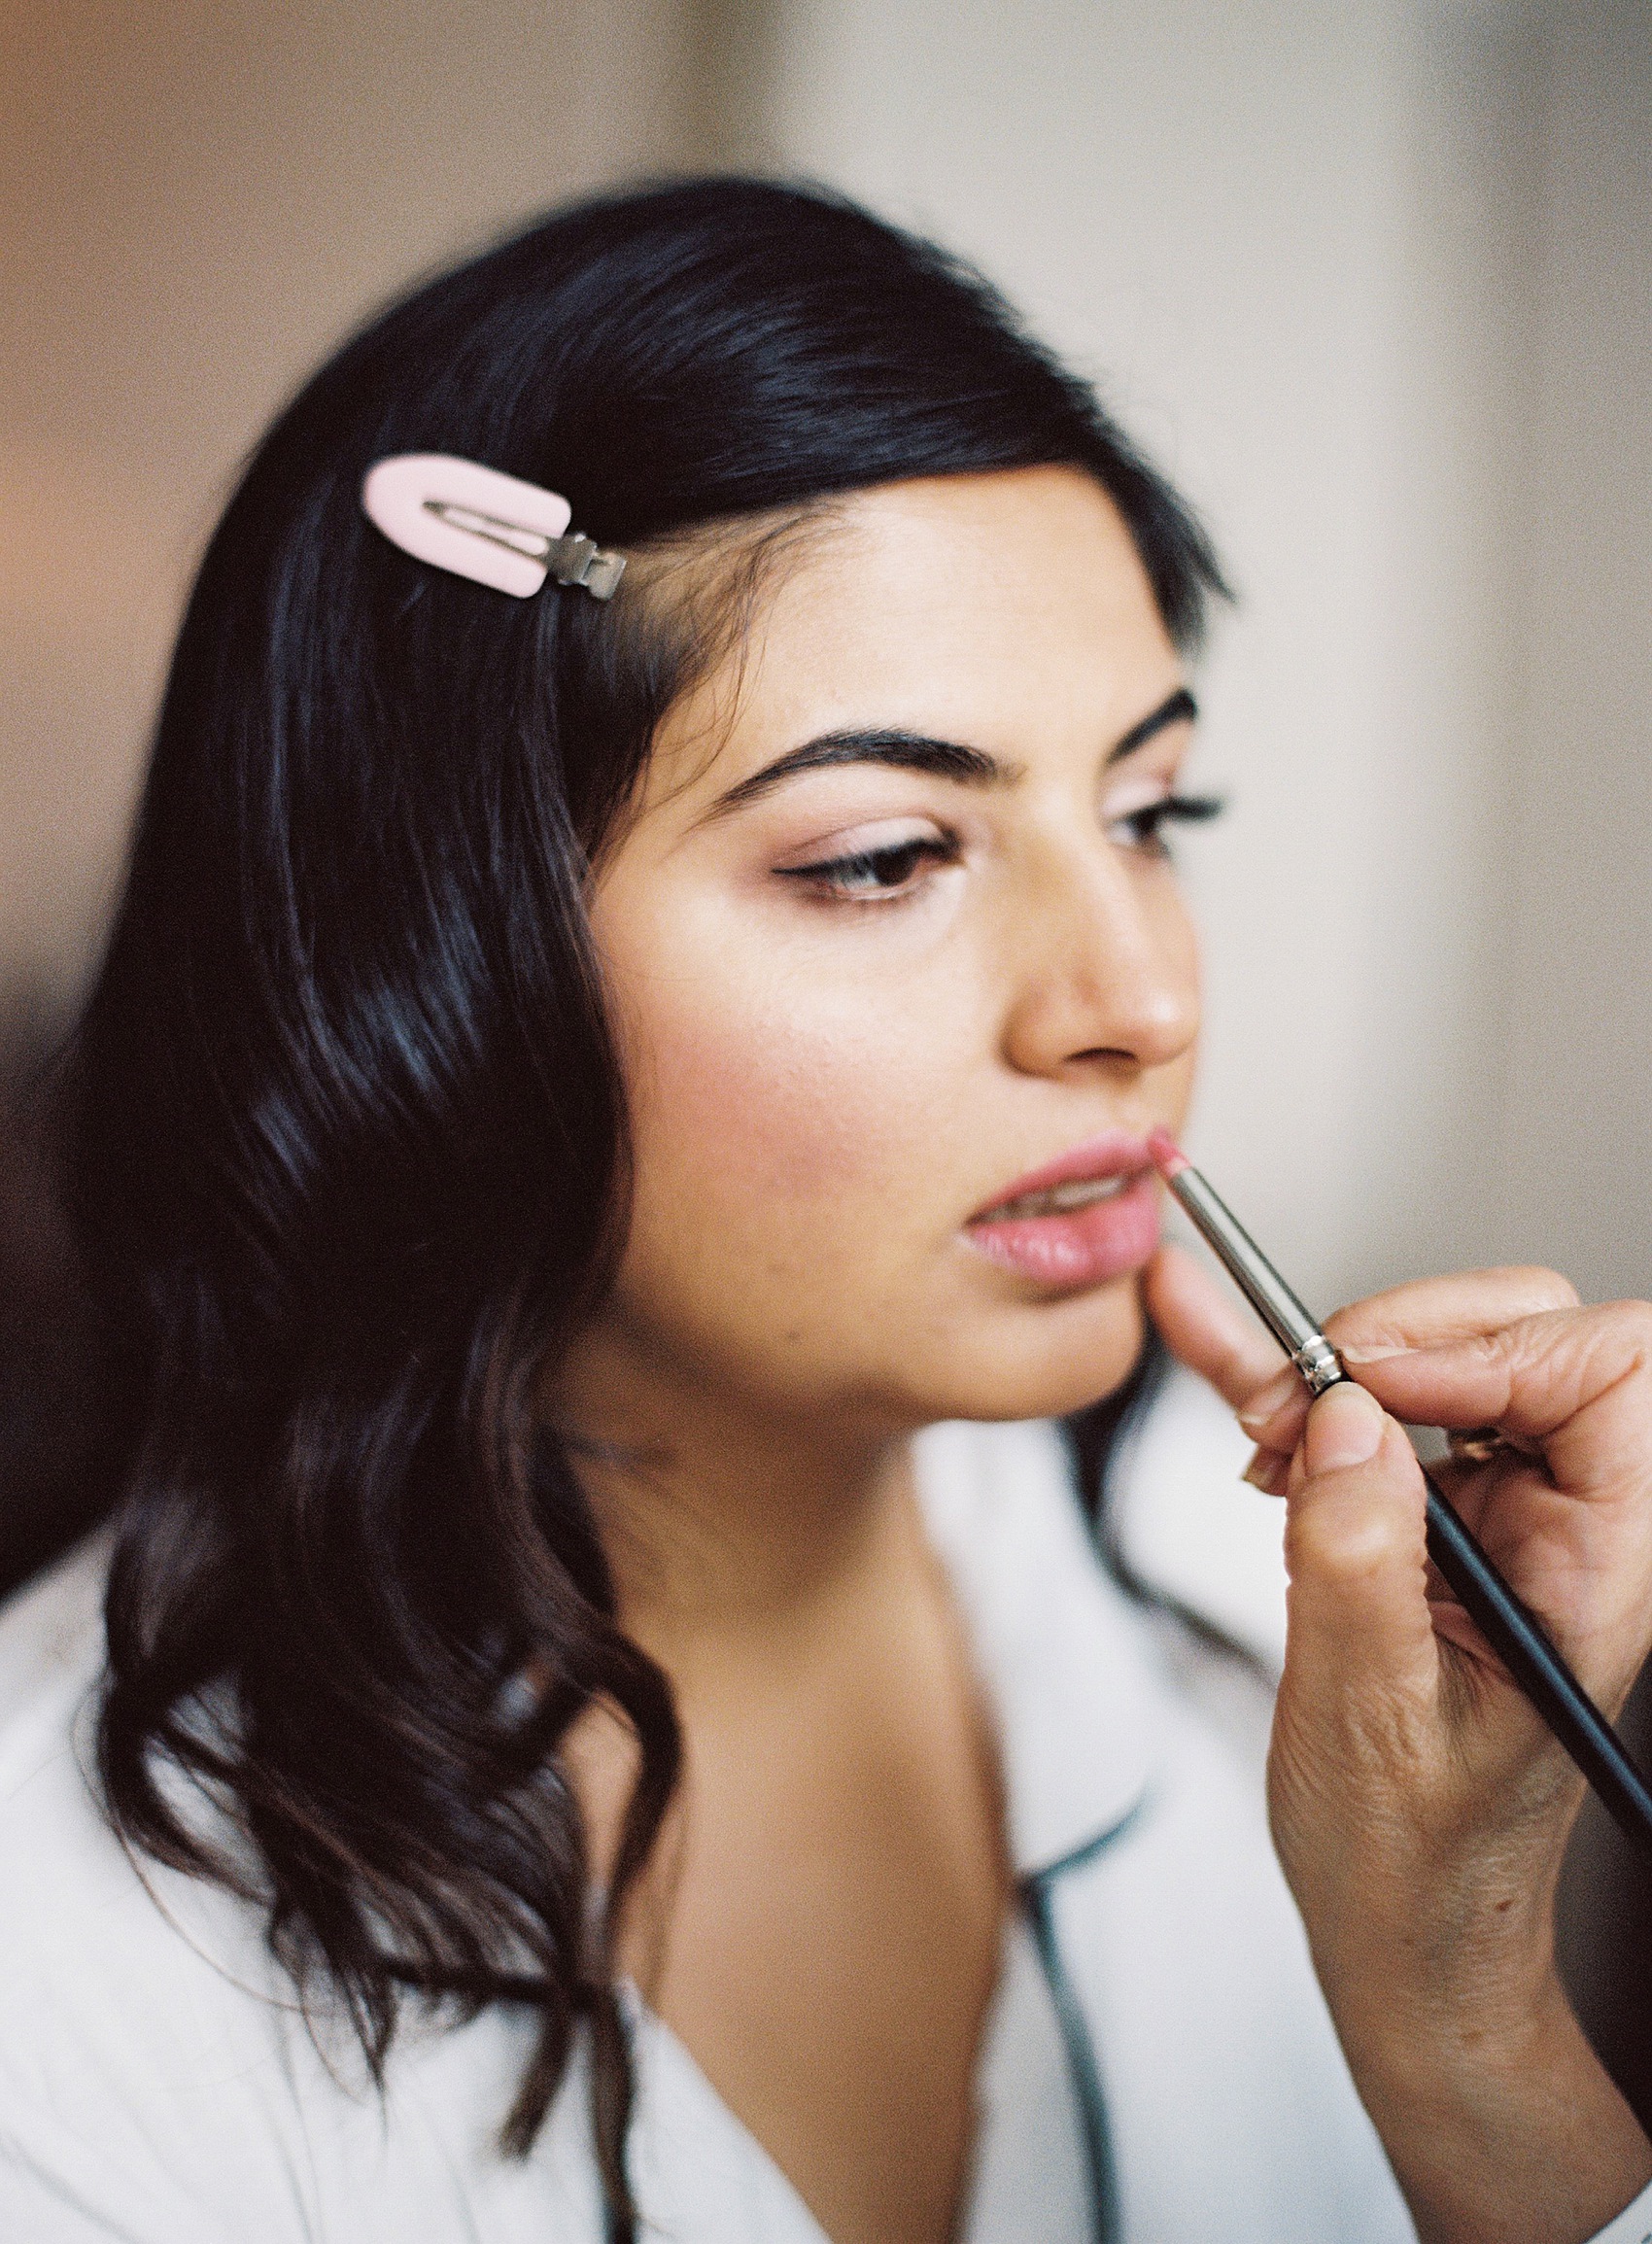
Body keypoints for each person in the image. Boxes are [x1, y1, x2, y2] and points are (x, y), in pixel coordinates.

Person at [2, 177, 1650, 2244]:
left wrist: (1468, 2028)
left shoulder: (1289, 1621)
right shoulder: (60, 1991)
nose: (1136, 1001)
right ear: (433, 959)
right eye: (883, 857)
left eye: (1151, 813)